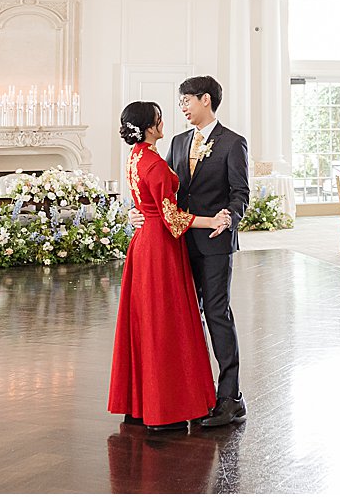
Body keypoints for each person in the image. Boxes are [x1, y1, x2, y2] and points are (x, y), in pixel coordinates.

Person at [130, 75, 250, 427]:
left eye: (186, 100)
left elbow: (240, 192)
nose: (181, 107)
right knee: (184, 318)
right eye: (180, 102)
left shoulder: (233, 143)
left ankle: (230, 398)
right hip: (178, 244)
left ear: (206, 100)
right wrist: (139, 211)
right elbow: (164, 192)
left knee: (216, 314)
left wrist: (230, 217)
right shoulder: (179, 142)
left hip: (214, 244)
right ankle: (192, 396)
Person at [108, 100, 231, 432]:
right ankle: (166, 411)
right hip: (160, 247)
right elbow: (173, 219)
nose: (164, 123)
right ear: (150, 126)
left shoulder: (135, 159)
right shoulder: (155, 165)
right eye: (159, 119)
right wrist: (212, 219)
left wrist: (138, 213)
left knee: (144, 321)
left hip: (143, 243)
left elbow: (145, 203)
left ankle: (139, 406)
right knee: (165, 324)